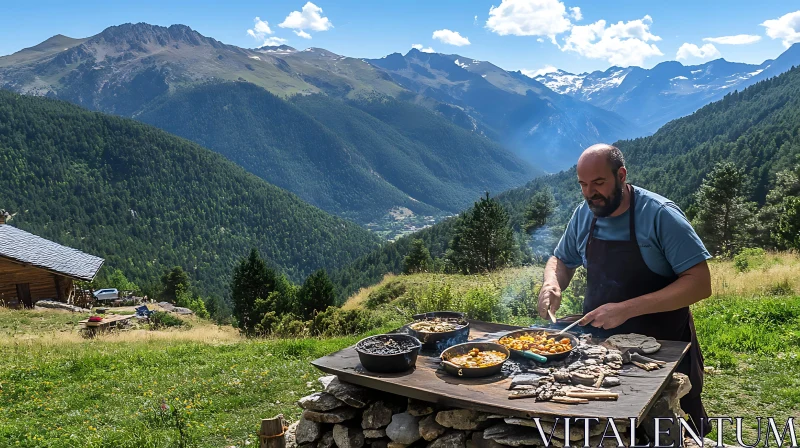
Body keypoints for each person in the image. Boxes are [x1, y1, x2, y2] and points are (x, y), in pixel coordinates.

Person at [538, 143, 712, 436]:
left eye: (598, 183)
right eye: (583, 184)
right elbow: (561, 260)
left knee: (667, 429)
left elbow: (700, 282)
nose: (589, 192)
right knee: (600, 427)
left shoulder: (659, 215)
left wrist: (626, 309)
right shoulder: (584, 214)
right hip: (600, 351)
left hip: (661, 348)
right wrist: (552, 283)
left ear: (621, 175)